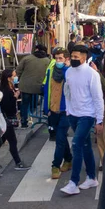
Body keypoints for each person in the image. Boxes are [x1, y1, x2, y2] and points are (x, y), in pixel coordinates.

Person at [60, 45, 104, 195]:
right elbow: (68, 92)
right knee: (85, 146)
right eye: (71, 56)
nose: (73, 59)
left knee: (76, 144)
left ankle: (73, 182)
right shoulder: (69, 72)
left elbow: (98, 98)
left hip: (87, 115)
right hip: (73, 114)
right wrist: (68, 110)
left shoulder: (92, 74)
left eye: (76, 57)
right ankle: (92, 177)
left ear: (84, 57)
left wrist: (99, 120)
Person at [42, 48, 72, 178]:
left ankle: (55, 165)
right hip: (53, 109)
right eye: (56, 58)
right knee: (62, 138)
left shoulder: (69, 73)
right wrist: (46, 108)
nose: (58, 61)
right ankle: (69, 159)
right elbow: (47, 89)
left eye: (61, 58)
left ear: (66, 59)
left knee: (60, 138)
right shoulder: (50, 71)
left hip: (66, 111)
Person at [0, 69, 30, 171]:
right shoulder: (6, 90)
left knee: (0, 140)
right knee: (12, 140)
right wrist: (15, 97)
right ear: (8, 77)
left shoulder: (8, 87)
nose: (15, 77)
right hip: (7, 118)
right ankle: (18, 162)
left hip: (6, 117)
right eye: (13, 76)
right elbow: (7, 105)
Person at [17, 44, 50, 128]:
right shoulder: (47, 60)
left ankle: (24, 122)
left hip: (26, 85)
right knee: (44, 100)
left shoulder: (27, 58)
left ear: (36, 49)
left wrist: (21, 78)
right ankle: (44, 114)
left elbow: (18, 70)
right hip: (40, 86)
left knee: (24, 104)